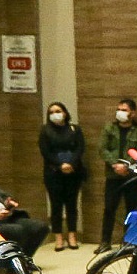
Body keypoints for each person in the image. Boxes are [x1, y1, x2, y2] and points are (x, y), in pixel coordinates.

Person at [98, 99, 137, 250]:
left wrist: (126, 165)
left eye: (124, 110)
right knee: (109, 208)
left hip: (132, 175)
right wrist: (115, 164)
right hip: (112, 175)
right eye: (119, 109)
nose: (120, 112)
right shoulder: (109, 128)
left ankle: (128, 242)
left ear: (133, 113)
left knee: (131, 209)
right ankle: (105, 242)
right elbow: (102, 149)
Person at [38, 102, 86, 251]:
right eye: (51, 112)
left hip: (73, 172)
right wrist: (60, 165)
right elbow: (45, 151)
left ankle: (72, 236)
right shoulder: (45, 131)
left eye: (58, 111)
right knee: (56, 206)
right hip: (53, 173)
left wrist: (70, 164)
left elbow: (80, 148)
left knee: (72, 205)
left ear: (65, 113)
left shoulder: (74, 129)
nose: (55, 114)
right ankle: (58, 237)